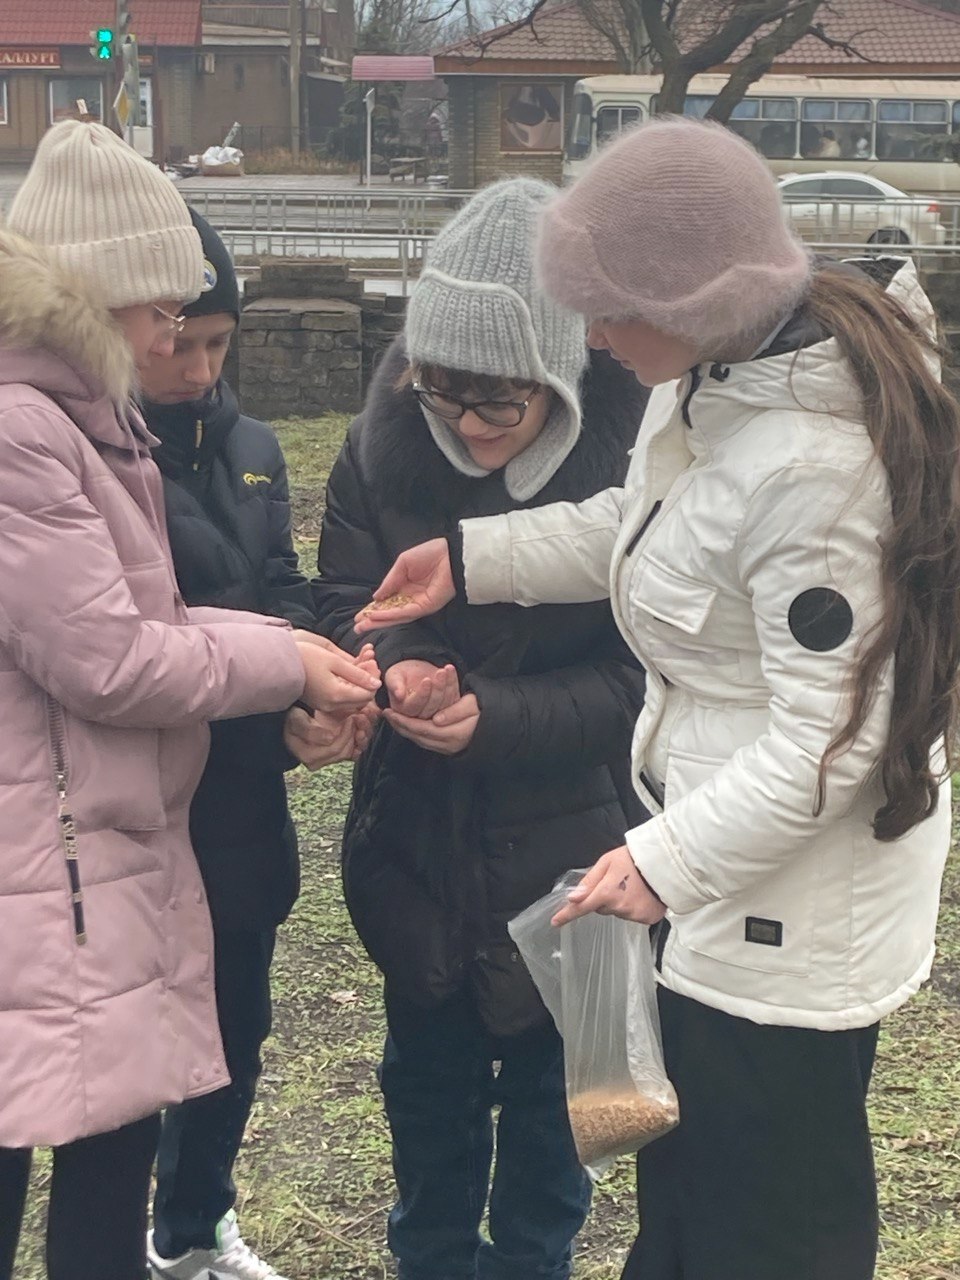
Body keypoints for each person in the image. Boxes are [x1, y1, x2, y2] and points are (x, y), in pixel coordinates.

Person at [355, 118, 960, 1280]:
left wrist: (662, 860)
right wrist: (470, 557)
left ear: (690, 302)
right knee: (687, 1183)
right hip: (722, 871)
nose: (587, 336)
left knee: (772, 1215)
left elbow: (837, 739)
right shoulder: (715, 393)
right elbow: (645, 529)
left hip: (788, 921)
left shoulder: (814, 473)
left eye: (605, 309)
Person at [0, 121, 378, 1280]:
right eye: (163, 311)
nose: (176, 339)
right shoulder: (23, 431)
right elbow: (112, 659)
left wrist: (288, 645)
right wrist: (284, 663)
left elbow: (150, 621)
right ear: (98, 294)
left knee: (109, 1150)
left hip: (90, 855)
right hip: (51, 861)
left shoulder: (84, 420)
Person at [313, 178, 649, 1280]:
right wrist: (396, 669)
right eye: (442, 393)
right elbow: (347, 597)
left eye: (500, 404)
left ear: (561, 372)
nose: (466, 424)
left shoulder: (640, 473)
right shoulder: (377, 450)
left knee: (559, 1134)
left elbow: (650, 674)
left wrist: (495, 716)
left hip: (584, 852)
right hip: (421, 845)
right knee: (428, 1108)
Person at [139, 210, 363, 1280]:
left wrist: (307, 694)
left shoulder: (257, 448)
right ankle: (119, 1223)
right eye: (179, 343)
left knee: (239, 1022)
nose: (198, 369)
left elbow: (282, 586)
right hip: (144, 794)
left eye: (218, 343)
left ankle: (195, 1222)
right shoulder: (91, 457)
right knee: (138, 1039)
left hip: (243, 793)